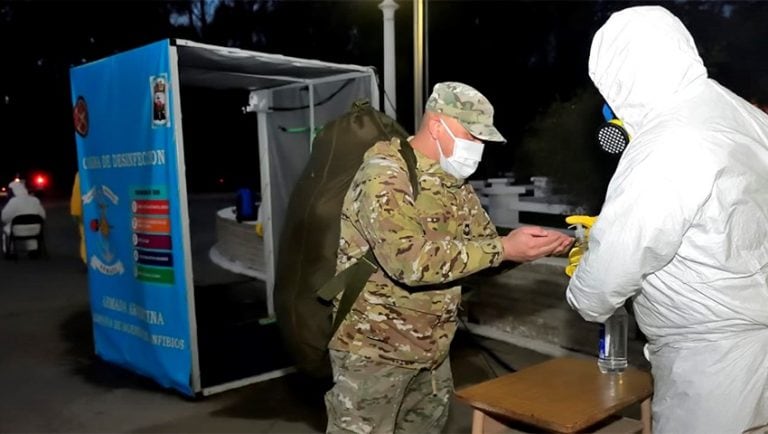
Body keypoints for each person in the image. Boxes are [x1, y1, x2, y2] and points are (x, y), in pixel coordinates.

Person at [324, 82, 573, 434]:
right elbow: (408, 262)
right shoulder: (385, 175)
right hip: (374, 352)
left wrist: (525, 249)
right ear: (438, 125)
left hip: (432, 351)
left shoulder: (453, 183)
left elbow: (480, 255)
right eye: (472, 135)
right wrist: (503, 248)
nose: (478, 148)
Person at [565, 6, 768, 433]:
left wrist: (584, 287)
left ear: (622, 73)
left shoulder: (666, 142)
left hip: (712, 362)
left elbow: (610, 271)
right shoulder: (744, 116)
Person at [1, 179, 46, 255]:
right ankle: (33, 250)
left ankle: (10, 251)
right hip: (36, 230)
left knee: (6, 230)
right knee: (31, 226)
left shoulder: (13, 202)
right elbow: (43, 216)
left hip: (17, 230)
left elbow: (4, 217)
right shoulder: (35, 200)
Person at [70, 171, 86, 265]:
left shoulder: (81, 173)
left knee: (85, 237)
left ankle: (86, 260)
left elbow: (77, 193)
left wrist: (75, 212)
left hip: (86, 212)